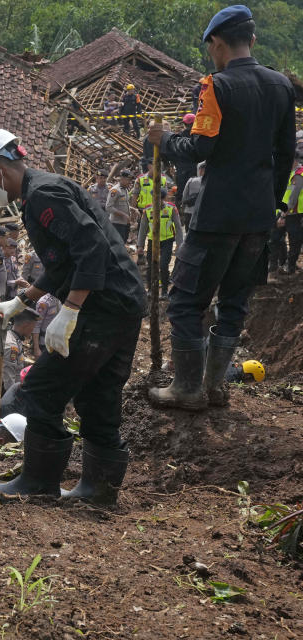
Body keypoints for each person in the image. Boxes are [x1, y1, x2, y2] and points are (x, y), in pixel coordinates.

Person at [0, 127, 147, 504]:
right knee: (99, 396)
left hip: (102, 307)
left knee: (42, 389)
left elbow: (91, 248)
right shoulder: (42, 191)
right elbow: (62, 261)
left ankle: (38, 481)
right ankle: (98, 492)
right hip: (122, 301)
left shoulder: (44, 195)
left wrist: (71, 310)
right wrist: (24, 299)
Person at [147, 5, 295, 411]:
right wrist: (271, 202)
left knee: (185, 302)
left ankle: (187, 388)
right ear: (253, 40)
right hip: (258, 218)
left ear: (217, 42)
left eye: (210, 47)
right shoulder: (282, 86)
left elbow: (201, 145)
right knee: (233, 302)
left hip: (217, 217)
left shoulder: (216, 86)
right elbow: (285, 155)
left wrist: (165, 141)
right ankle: (214, 387)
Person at [137, 189, 185, 298]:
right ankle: (150, 290)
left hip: (167, 241)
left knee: (163, 265)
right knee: (151, 266)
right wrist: (140, 245)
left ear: (163, 198)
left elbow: (178, 227)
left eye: (157, 198)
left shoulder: (171, 208)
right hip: (152, 241)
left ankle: (164, 291)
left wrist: (179, 244)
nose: (155, 200)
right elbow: (143, 228)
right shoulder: (148, 210)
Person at [273, 150, 303, 275]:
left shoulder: (299, 174)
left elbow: (294, 196)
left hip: (295, 213)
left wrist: (284, 213)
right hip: (283, 210)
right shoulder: (287, 172)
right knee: (275, 239)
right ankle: (278, 264)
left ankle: (290, 267)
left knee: (294, 240)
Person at [2, 309, 38, 393]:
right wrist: (14, 397)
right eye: (33, 326)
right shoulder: (12, 346)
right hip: (8, 392)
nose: (33, 330)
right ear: (26, 325)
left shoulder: (15, 338)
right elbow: (8, 377)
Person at [174, 113, 199, 208]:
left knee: (181, 188)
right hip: (195, 166)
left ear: (184, 124)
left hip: (182, 167)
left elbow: (175, 152)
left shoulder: (179, 137)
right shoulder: (198, 135)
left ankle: (179, 207)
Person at [106, 169, 136, 242]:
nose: (130, 183)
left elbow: (124, 204)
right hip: (117, 224)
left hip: (125, 223)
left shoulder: (125, 189)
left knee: (123, 242)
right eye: (128, 180)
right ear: (122, 179)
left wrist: (133, 209)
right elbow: (108, 207)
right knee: (117, 245)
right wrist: (123, 215)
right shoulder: (115, 190)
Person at [32, 293, 60, 359]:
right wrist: (36, 348)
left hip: (55, 341)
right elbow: (36, 326)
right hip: (43, 342)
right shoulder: (44, 302)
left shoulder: (60, 299)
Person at [179, 161, 205, 230]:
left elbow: (184, 195)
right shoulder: (211, 181)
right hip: (203, 213)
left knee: (188, 233)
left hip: (189, 212)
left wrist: (183, 207)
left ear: (200, 170)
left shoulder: (191, 180)